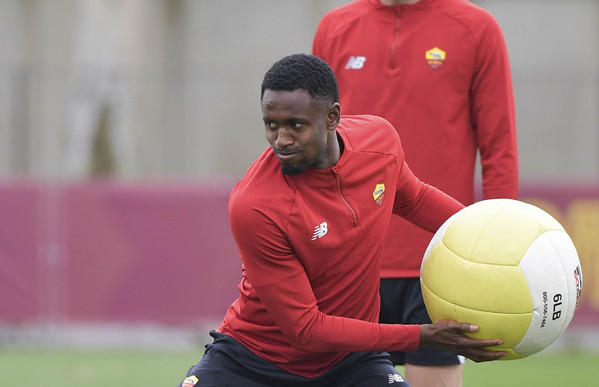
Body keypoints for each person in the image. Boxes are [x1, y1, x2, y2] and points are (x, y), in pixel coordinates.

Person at [176, 54, 506, 387]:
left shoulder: (380, 142)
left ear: (332, 116)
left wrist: (487, 233)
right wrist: (425, 336)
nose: (282, 139)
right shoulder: (254, 205)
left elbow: (413, 198)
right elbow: (306, 330)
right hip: (253, 362)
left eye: (296, 124)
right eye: (271, 124)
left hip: (352, 362)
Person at [313, 1, 519, 385]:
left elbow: (499, 147)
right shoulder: (335, 27)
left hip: (442, 263)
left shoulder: (476, 27)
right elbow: (314, 141)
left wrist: (498, 245)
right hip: (349, 261)